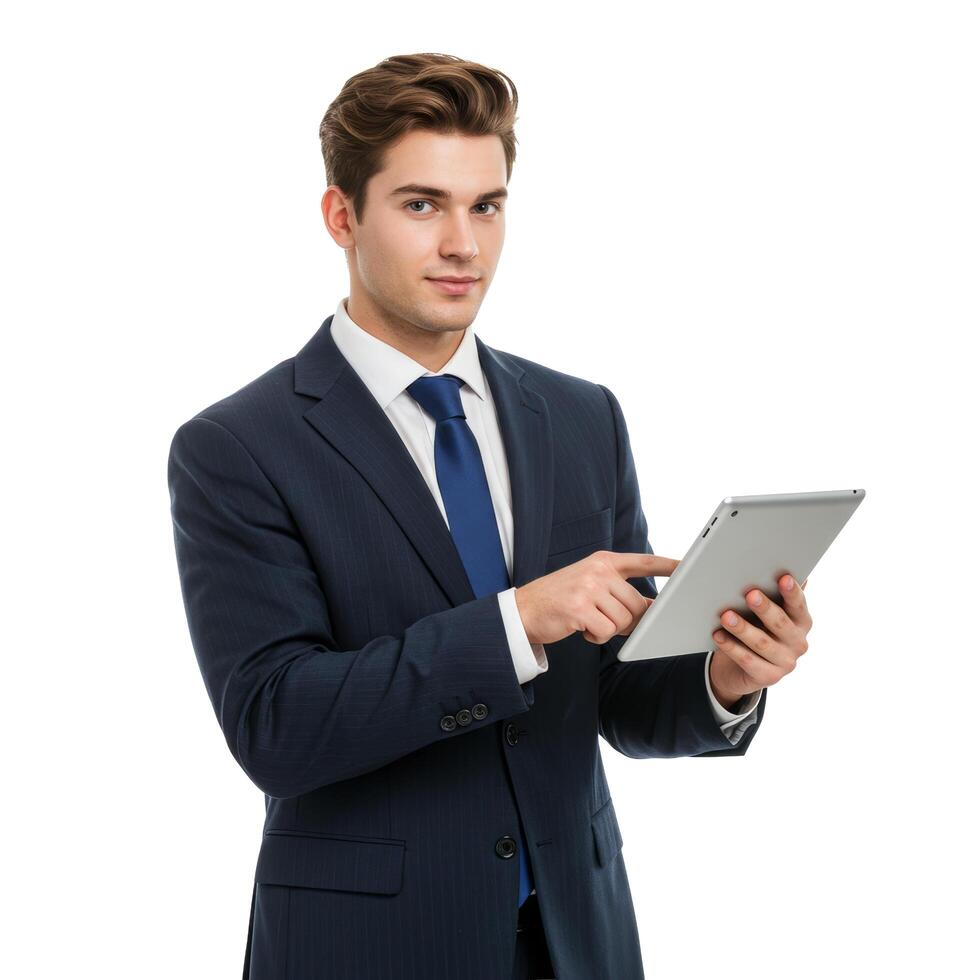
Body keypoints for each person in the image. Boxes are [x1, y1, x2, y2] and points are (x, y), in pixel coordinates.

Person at [167, 52, 814, 980]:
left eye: (488, 205)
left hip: (577, 937)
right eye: (422, 205)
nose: (464, 244)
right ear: (342, 217)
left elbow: (623, 703)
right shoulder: (238, 447)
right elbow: (276, 726)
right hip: (369, 950)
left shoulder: (582, 415)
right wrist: (518, 622)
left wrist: (725, 676)